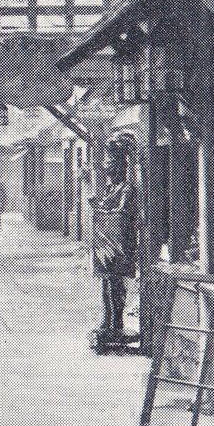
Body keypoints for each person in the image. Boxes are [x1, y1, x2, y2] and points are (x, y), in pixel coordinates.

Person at [91, 138, 140, 350]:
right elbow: (107, 209)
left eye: (111, 163)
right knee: (106, 285)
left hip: (119, 245)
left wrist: (101, 208)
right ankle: (107, 319)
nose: (107, 168)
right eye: (107, 163)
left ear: (121, 166)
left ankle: (116, 323)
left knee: (116, 286)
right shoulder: (112, 188)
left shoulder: (127, 189)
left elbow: (122, 213)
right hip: (105, 245)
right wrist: (100, 205)